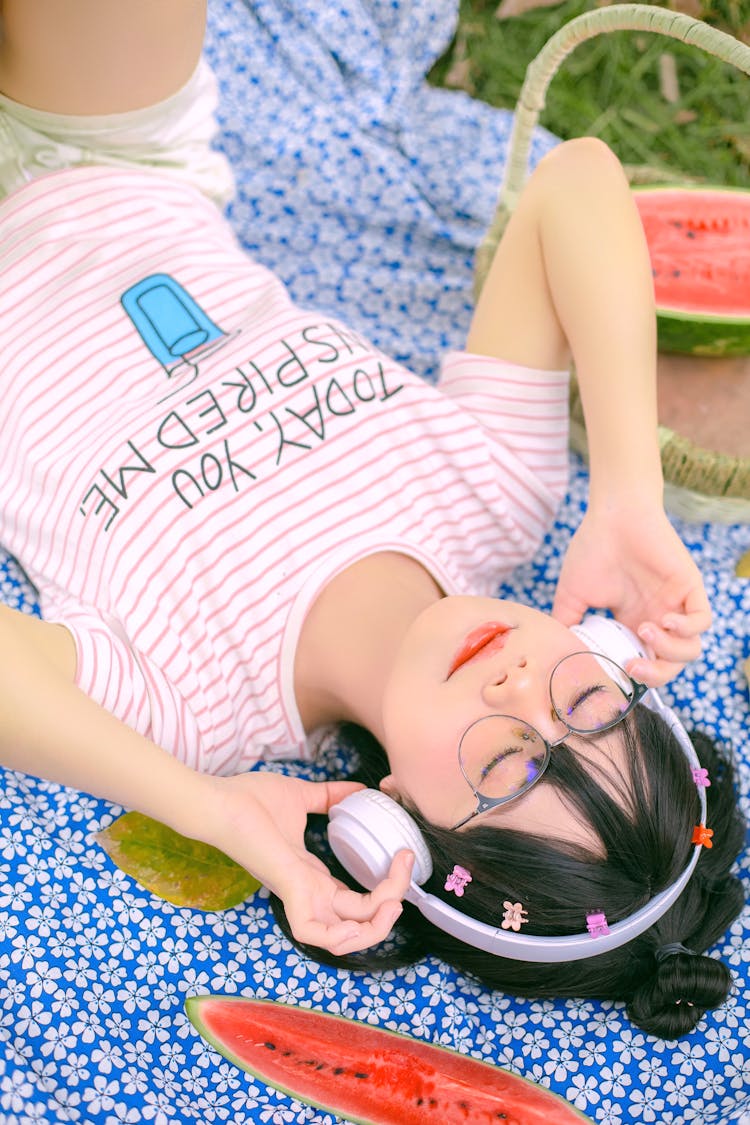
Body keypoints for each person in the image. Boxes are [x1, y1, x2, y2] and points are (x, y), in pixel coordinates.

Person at [0, 0, 743, 1041]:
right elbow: (576, 181)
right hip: (108, 150)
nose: (519, 686)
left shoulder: (193, 715)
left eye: (505, 764)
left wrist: (205, 809)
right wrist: (627, 490)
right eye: (582, 703)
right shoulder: (497, 498)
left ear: (396, 820)